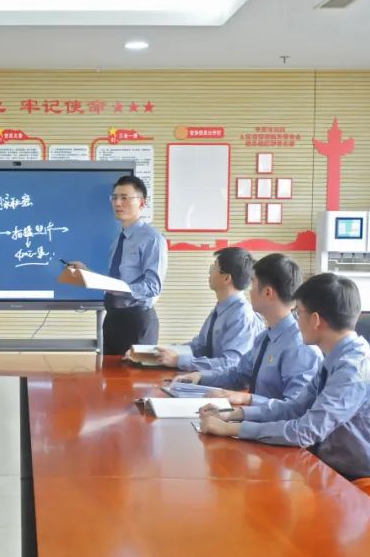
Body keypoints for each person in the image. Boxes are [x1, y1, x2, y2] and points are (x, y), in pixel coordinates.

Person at [197, 272, 370, 481]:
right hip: (336, 471)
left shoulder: (353, 369)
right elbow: (294, 408)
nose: (296, 321)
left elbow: (305, 431)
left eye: (298, 313)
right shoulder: (336, 358)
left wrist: (231, 429)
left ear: (315, 320)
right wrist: (234, 415)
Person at [173, 253, 321, 407]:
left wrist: (248, 400)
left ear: (268, 293)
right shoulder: (265, 337)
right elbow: (239, 374)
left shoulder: (301, 347)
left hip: (267, 422)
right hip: (251, 417)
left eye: (253, 283)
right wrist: (200, 377)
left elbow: (295, 407)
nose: (249, 291)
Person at [68, 174, 167, 355]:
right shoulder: (118, 240)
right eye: (114, 198)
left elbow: (153, 286)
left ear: (141, 203)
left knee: (135, 373)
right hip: (113, 318)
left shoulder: (152, 238)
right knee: (109, 372)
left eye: (124, 198)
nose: (118, 203)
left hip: (137, 320)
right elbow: (115, 281)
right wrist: (88, 273)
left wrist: (118, 288)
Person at [150, 247, 260, 372]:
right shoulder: (222, 308)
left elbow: (230, 363)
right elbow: (199, 347)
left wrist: (178, 360)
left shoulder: (242, 315)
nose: (209, 273)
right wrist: (161, 352)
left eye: (213, 268)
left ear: (226, 278)